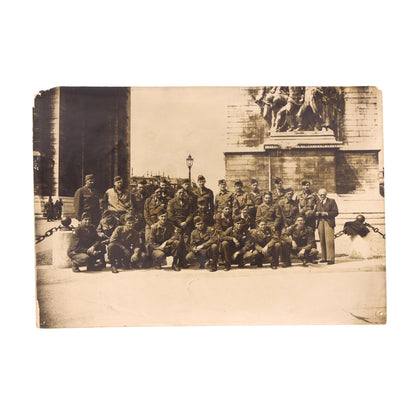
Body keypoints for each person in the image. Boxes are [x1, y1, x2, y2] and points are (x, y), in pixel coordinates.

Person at [316, 188, 339, 264]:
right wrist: (316, 213)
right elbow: (315, 210)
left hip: (328, 222)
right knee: (322, 240)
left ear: (326, 194)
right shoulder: (318, 202)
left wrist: (327, 214)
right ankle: (324, 257)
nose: (322, 196)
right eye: (320, 195)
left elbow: (336, 212)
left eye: (323, 194)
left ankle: (330, 258)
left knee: (329, 241)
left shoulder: (331, 201)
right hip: (320, 222)